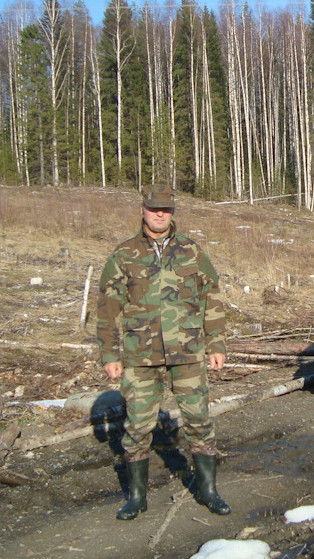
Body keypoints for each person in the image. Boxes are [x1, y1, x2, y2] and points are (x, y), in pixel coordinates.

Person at [96, 183, 231, 520]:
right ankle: (136, 497)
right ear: (143, 209)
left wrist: (216, 343)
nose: (159, 214)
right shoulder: (124, 254)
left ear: (173, 212)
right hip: (140, 356)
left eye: (166, 209)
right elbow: (108, 308)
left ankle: (208, 491)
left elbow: (211, 298)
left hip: (187, 353)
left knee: (199, 421)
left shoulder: (192, 251)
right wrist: (110, 354)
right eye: (154, 208)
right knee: (137, 427)